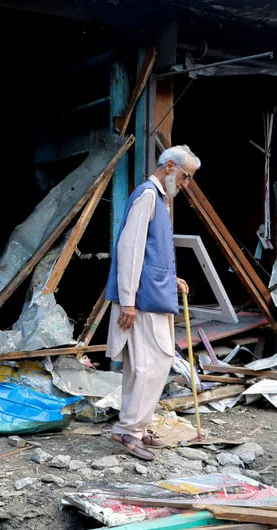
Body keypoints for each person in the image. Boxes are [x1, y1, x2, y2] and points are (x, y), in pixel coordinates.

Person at [104, 145, 200, 461]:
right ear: (169, 166)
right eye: (186, 176)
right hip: (143, 300)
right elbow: (130, 250)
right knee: (152, 364)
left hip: (152, 295)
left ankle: (136, 427)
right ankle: (128, 431)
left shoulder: (158, 198)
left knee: (146, 365)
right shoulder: (147, 195)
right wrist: (128, 301)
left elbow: (149, 253)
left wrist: (171, 278)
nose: (186, 184)